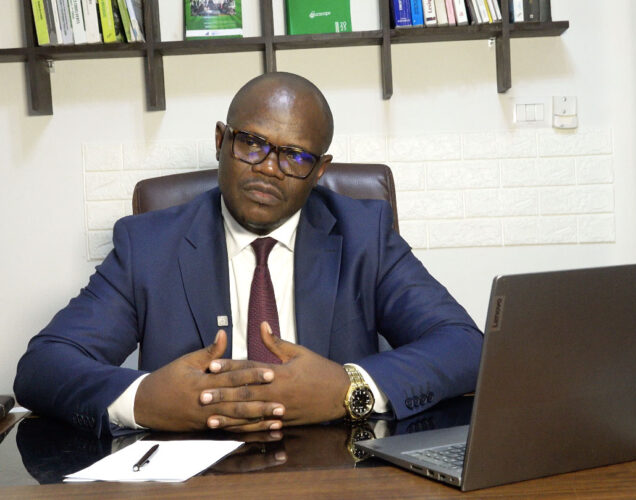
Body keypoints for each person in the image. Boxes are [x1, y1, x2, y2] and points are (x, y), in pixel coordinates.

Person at [14, 72, 483, 437]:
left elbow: (465, 346)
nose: (270, 170)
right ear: (222, 140)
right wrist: (144, 399)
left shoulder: (366, 235)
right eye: (253, 144)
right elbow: (43, 366)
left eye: (295, 156)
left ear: (320, 170)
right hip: (194, 476)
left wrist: (348, 388)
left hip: (336, 470)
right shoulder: (149, 246)